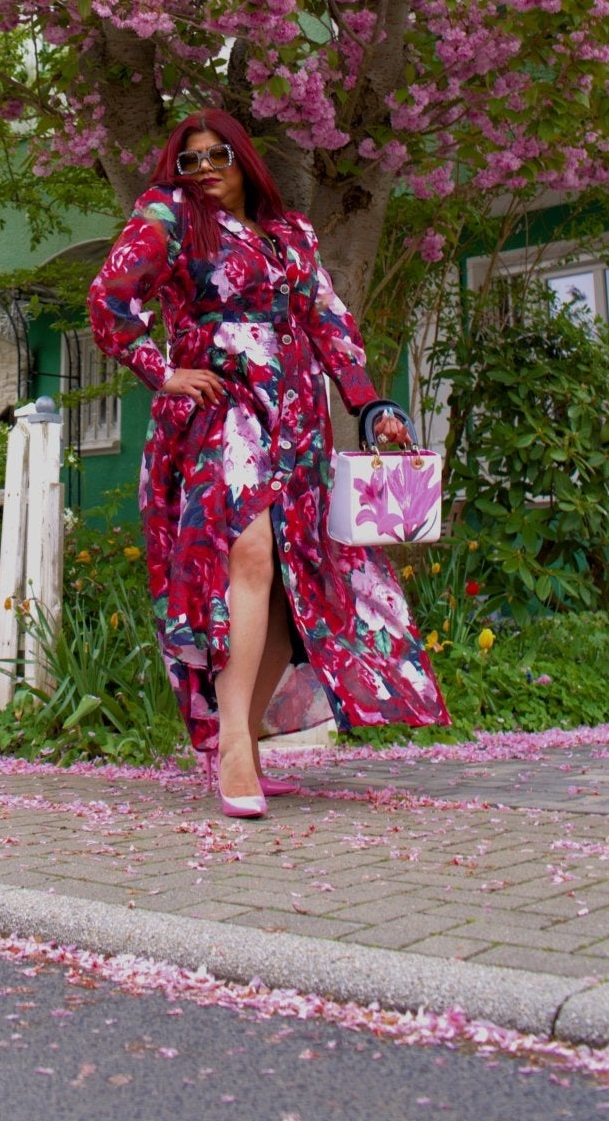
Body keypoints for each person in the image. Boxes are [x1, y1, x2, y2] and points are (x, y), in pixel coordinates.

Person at [87, 109, 448, 817]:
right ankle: (230, 754)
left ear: (244, 158)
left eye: (217, 155)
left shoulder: (290, 237)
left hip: (298, 417)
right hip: (220, 412)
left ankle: (244, 738)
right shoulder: (168, 218)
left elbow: (328, 319)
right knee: (247, 556)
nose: (204, 170)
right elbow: (109, 298)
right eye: (188, 161)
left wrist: (369, 403)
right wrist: (162, 371)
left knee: (289, 581)